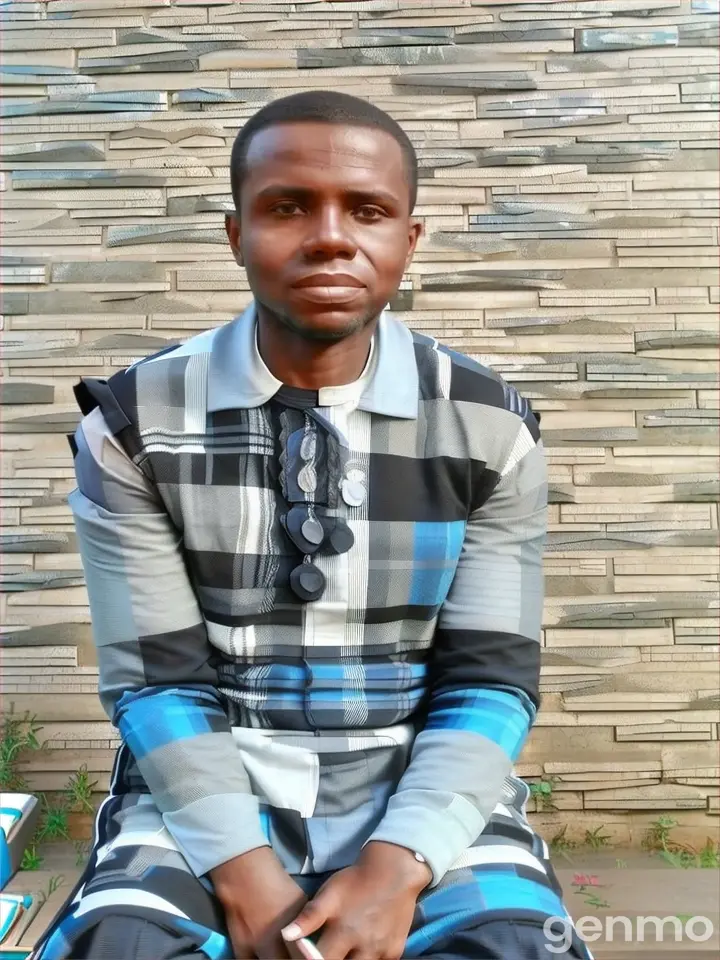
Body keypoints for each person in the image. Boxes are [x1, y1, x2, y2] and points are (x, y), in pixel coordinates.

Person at [31, 91, 591, 960]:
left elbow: (490, 681)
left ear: (409, 238)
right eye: (287, 206)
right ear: (236, 234)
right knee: (122, 944)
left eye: (367, 210)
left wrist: (399, 867)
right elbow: (157, 682)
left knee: (517, 945)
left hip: (416, 787)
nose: (330, 236)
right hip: (202, 789)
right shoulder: (133, 425)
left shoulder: (490, 428)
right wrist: (241, 868)